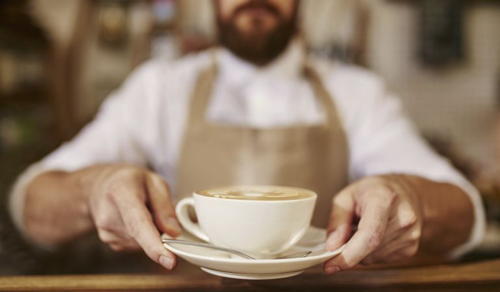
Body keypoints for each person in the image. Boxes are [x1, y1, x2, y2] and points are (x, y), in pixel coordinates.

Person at [8, 0, 485, 274]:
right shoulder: (160, 88)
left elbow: (465, 212)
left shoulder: (357, 92)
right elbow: (30, 202)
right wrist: (93, 190)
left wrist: (410, 199)